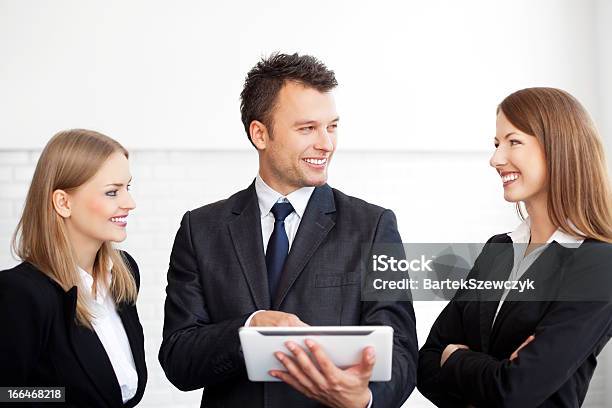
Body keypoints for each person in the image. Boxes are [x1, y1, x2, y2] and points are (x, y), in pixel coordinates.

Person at [158, 52, 418, 408]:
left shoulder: (373, 226)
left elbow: (402, 352)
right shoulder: (201, 229)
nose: (326, 143)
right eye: (307, 128)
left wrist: (365, 398)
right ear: (260, 134)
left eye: (332, 126)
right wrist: (249, 329)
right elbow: (178, 359)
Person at [417, 87, 612, 407]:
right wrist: (494, 371)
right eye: (496, 144)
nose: (496, 159)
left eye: (513, 141)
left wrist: (454, 360)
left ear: (557, 148)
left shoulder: (598, 263)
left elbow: (516, 390)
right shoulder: (499, 248)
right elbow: (425, 365)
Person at [0, 129, 147, 407]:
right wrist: (66, 396)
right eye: (112, 192)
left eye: (128, 187)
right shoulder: (21, 293)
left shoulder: (124, 275)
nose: (129, 203)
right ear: (63, 202)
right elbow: (7, 393)